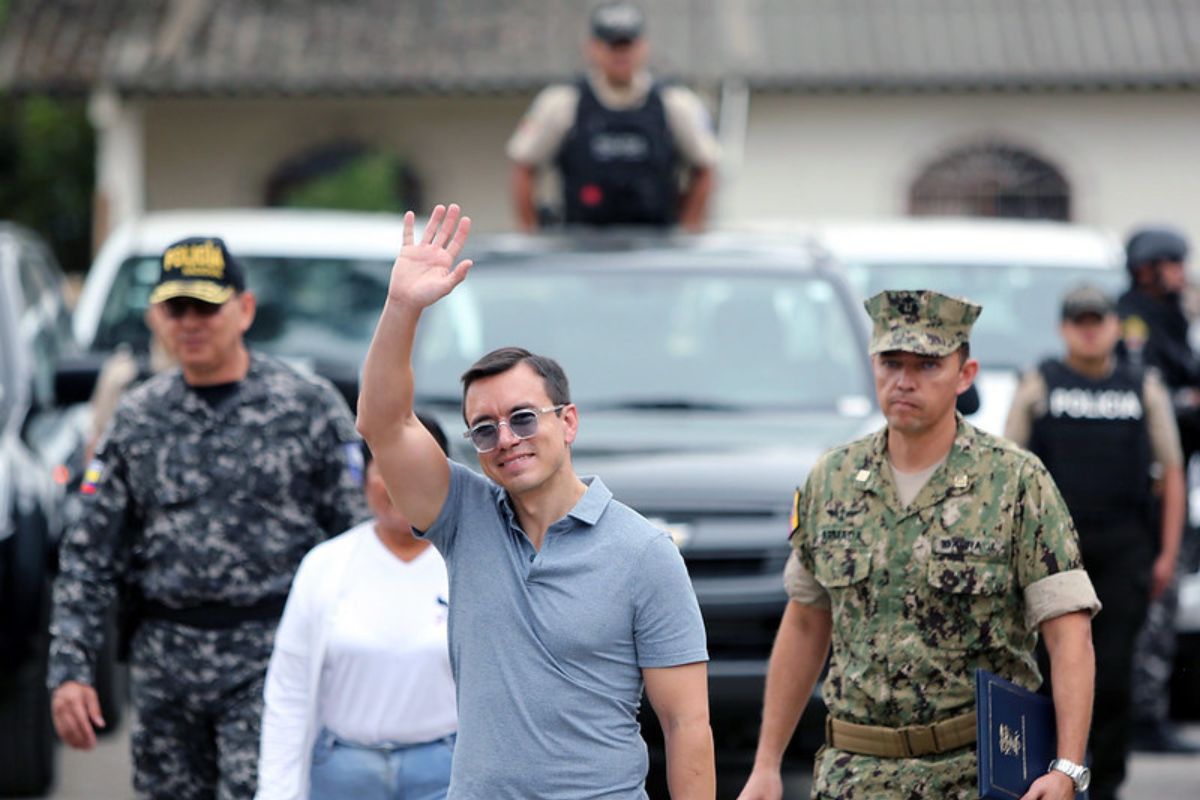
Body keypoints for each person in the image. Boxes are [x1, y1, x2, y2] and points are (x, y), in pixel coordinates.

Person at [355, 203, 714, 799]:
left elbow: (686, 725)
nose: (506, 439)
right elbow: (383, 423)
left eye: (523, 417)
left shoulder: (643, 552)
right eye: (484, 429)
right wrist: (402, 307)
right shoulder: (462, 517)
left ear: (568, 422)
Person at [738, 290, 1100, 800]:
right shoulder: (833, 478)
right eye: (891, 362)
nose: (904, 381)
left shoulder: (1015, 481)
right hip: (855, 774)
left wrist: (1067, 767)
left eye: (927, 365)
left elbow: (1069, 634)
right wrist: (766, 765)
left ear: (965, 374)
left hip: (973, 771)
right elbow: (805, 621)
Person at [49, 237, 369, 800]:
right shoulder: (137, 417)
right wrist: (71, 669)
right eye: (177, 309)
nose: (190, 323)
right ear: (157, 317)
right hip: (165, 668)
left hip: (272, 659)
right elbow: (89, 554)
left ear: (244, 309)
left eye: (206, 307)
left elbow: (357, 541)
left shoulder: (306, 407)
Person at [1004, 284, 1185, 800]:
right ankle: (1047, 777)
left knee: (1116, 678)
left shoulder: (1141, 386)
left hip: (1124, 549)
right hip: (1053, 556)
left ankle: (1103, 785)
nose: (1089, 331)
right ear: (1063, 328)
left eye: (1097, 321)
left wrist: (1167, 555)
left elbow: (1172, 470)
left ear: (1113, 326)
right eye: (1078, 322)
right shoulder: (1040, 384)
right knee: (1045, 675)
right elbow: (1008, 473)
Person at [257, 412, 456, 800]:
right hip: (344, 775)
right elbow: (288, 691)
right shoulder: (326, 565)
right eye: (384, 467)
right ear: (363, 477)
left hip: (446, 773)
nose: (400, 481)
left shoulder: (467, 562)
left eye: (415, 465)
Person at [507, 2, 719, 232]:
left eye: (627, 45)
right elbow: (524, 166)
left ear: (643, 47)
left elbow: (705, 168)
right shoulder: (562, 103)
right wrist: (531, 234)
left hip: (658, 244)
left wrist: (687, 232)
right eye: (612, 45)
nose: (621, 54)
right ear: (592, 48)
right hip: (580, 244)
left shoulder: (676, 103)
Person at [1117, 225, 1200, 754]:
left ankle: (1147, 711)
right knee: (1150, 604)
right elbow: (1150, 401)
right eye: (1173, 263)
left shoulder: (1172, 319)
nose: (1181, 273)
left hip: (1174, 482)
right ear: (1148, 268)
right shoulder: (1134, 323)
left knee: (1163, 603)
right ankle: (1140, 717)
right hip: (1147, 492)